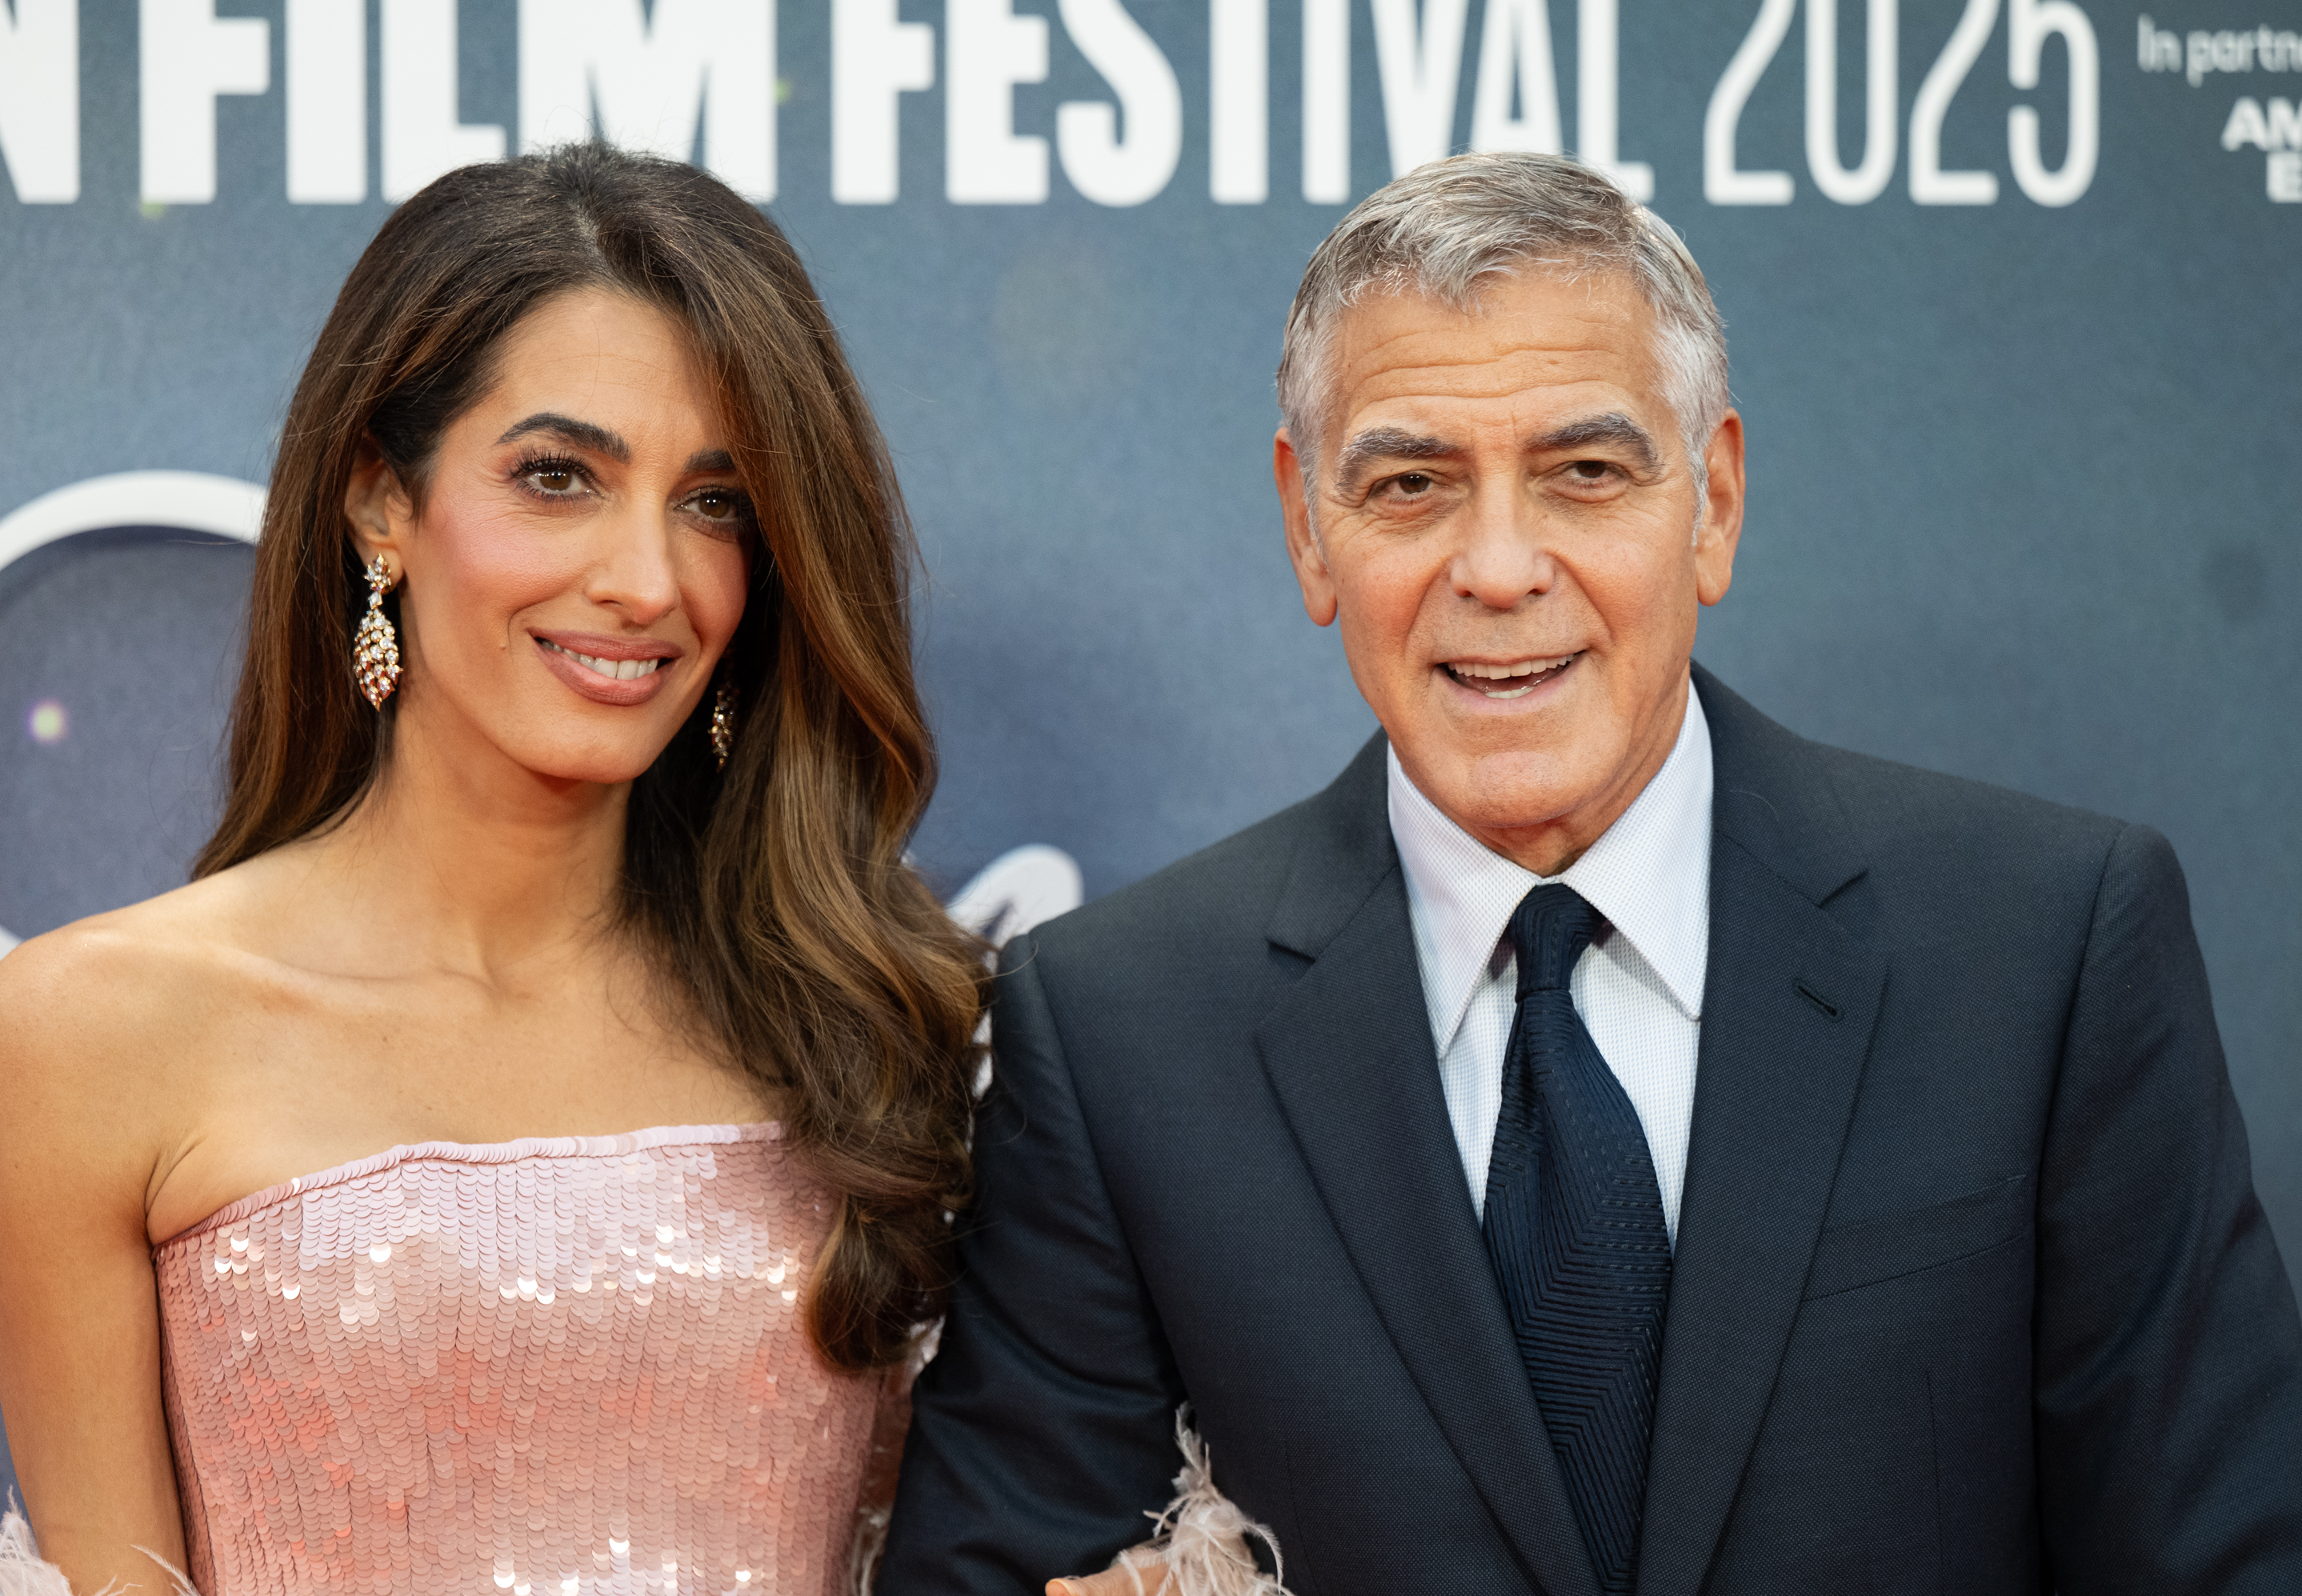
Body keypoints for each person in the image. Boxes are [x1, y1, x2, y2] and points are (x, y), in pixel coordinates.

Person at [879, 151, 2302, 1595]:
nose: (1498, 566)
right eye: (1413, 483)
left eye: (1585, 472)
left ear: (1716, 501)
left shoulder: (2043, 949)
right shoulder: (1118, 1028)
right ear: (1310, 525)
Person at [0, 142, 986, 1596]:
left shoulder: (862, 1010)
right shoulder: (92, 1030)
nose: (647, 581)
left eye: (715, 504)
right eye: (558, 478)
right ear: (379, 505)